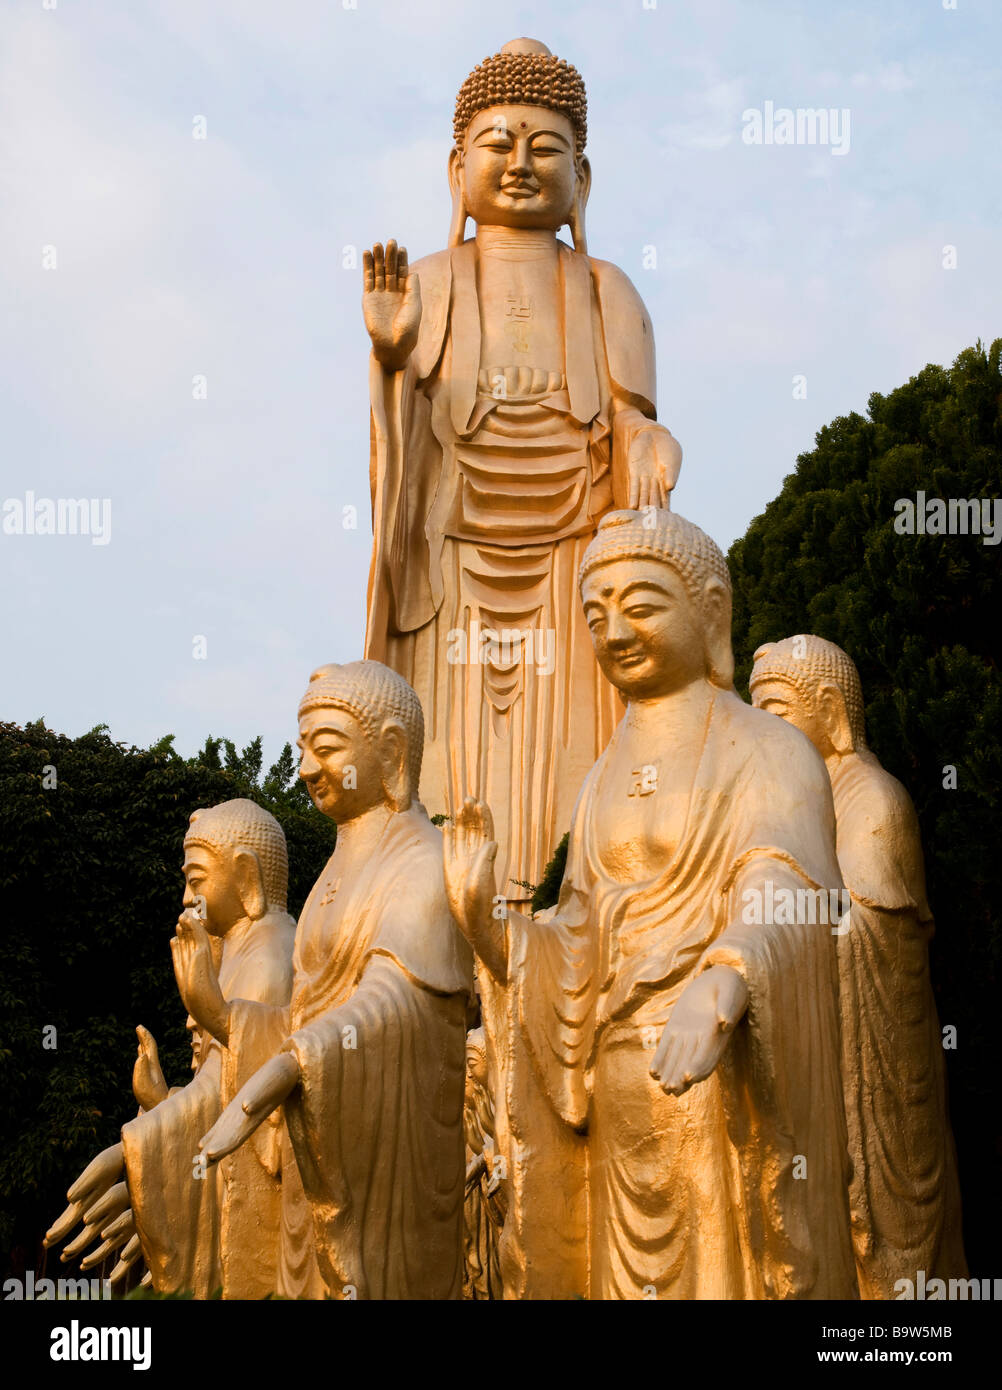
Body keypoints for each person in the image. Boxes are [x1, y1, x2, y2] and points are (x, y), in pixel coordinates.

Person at [444, 510, 858, 1299]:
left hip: (717, 1079)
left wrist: (727, 978)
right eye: (596, 616)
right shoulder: (600, 777)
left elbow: (788, 884)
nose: (615, 632)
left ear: (709, 610)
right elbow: (574, 940)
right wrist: (489, 926)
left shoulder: (771, 749)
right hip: (613, 1094)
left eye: (641, 605)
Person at [362, 38, 683, 899]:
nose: (519, 163)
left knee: (573, 758)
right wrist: (394, 357)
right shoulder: (427, 280)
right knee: (455, 763)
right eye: (498, 144)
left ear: (584, 178)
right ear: (455, 168)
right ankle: (447, 929)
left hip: (573, 560)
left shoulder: (605, 286)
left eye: (545, 148)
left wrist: (650, 442)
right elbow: (401, 448)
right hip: (456, 559)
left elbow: (631, 418)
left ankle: (570, 912)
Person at [192, 662, 475, 1300]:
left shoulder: (425, 860)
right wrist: (227, 1017)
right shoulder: (331, 876)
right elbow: (298, 1013)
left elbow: (394, 1002)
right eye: (301, 752)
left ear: (393, 751)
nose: (307, 770)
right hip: (315, 1137)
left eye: (326, 749)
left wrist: (295, 1063)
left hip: (388, 1156)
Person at [750, 635, 967, 1297]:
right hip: (818, 1063)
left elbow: (867, 927)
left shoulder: (873, 799)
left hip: (877, 1070)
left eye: (778, 712)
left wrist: (774, 944)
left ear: (830, 709)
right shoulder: (801, 807)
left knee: (886, 1220)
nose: (764, 733)